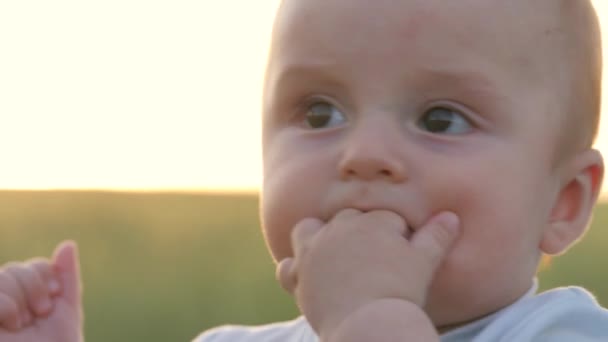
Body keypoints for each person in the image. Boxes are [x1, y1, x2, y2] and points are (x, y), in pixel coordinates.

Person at [1, 0, 608, 341]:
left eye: (441, 119)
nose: (364, 153)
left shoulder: (566, 335)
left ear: (563, 203)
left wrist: (372, 320)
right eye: (319, 112)